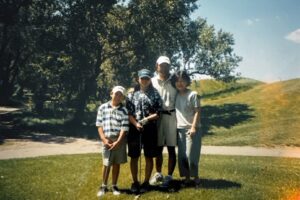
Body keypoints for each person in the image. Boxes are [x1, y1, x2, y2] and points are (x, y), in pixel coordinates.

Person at [126, 69, 162, 193]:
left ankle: (146, 182)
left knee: (148, 156)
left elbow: (158, 113)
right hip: (134, 129)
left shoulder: (155, 93)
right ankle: (135, 182)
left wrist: (145, 120)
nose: (145, 80)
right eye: (142, 78)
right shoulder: (131, 94)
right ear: (138, 79)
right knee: (134, 156)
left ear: (150, 79)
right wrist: (136, 123)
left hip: (150, 128)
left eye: (147, 78)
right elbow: (129, 113)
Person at [95, 86, 129, 197]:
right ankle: (103, 186)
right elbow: (99, 125)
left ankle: (114, 185)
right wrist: (104, 139)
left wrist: (118, 142)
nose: (118, 96)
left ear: (122, 97)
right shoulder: (102, 108)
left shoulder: (124, 110)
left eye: (121, 95)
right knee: (106, 163)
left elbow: (124, 128)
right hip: (107, 139)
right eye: (116, 94)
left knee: (116, 164)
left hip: (119, 140)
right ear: (111, 94)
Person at [150, 56, 178, 188]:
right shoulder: (151, 81)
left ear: (169, 67)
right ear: (157, 66)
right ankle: (158, 174)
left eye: (166, 65)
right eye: (162, 65)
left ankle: (169, 176)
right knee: (158, 148)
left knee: (171, 148)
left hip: (172, 116)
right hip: (157, 117)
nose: (164, 67)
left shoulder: (175, 80)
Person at [173, 70, 201, 187]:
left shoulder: (193, 94)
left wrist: (193, 127)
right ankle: (187, 178)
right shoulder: (176, 95)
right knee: (182, 156)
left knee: (191, 156)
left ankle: (196, 177)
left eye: (182, 81)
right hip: (180, 129)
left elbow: (197, 112)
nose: (180, 83)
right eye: (177, 81)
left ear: (187, 82)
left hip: (192, 129)